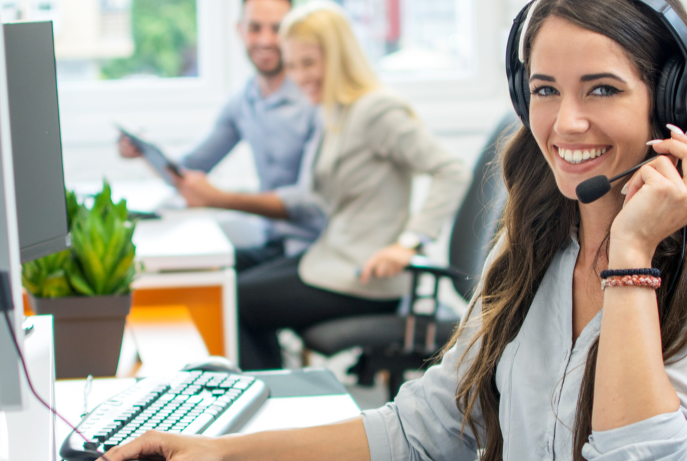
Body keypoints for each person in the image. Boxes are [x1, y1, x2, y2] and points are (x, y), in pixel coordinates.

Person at [79, 0, 687, 461]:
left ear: (674, 103)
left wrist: (630, 262)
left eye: (601, 89)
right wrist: (224, 451)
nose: (566, 124)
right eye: (544, 90)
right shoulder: (536, 254)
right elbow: (423, 428)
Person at [172, 2, 470, 370]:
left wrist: (408, 242)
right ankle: (271, 397)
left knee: (236, 303)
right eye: (292, 64)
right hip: (333, 259)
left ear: (339, 57)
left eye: (308, 64)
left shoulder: (377, 110)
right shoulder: (334, 111)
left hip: (365, 278)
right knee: (229, 290)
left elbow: (450, 170)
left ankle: (268, 408)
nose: (298, 76)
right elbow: (312, 194)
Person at [119, 0, 321, 271]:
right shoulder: (244, 101)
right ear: (240, 30)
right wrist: (143, 152)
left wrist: (218, 198)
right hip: (272, 243)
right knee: (192, 275)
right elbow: (190, 169)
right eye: (254, 28)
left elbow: (310, 201)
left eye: (277, 29)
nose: (265, 40)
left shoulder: (314, 99)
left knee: (229, 296)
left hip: (311, 249)